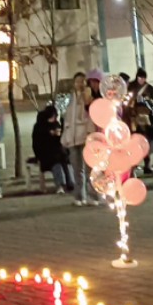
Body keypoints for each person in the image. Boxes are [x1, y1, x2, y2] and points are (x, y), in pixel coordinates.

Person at [62, 71, 95, 206]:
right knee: (76, 169)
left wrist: (90, 133)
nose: (79, 84)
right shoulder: (70, 98)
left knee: (89, 169)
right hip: (72, 137)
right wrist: (65, 135)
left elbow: (92, 115)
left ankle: (94, 196)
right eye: (77, 81)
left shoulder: (88, 98)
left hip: (85, 136)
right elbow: (66, 118)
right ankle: (79, 196)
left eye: (82, 81)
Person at [32, 106, 74, 194]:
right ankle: (60, 185)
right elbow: (38, 143)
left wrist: (58, 135)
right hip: (45, 153)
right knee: (56, 163)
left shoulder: (56, 124)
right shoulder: (39, 126)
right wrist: (49, 135)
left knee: (65, 160)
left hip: (58, 151)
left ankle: (70, 182)